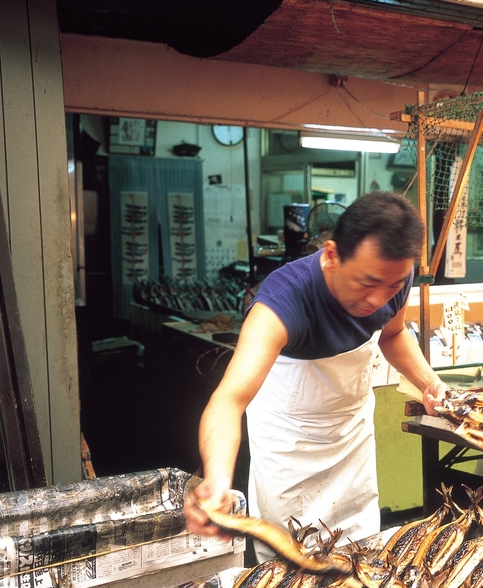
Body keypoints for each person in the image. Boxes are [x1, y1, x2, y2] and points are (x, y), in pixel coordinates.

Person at [184, 192, 447, 561]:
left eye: (391, 286)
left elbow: (394, 334)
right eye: (367, 283)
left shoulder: (394, 277)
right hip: (289, 443)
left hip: (350, 434)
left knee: (358, 558)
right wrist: (217, 481)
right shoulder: (283, 302)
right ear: (331, 255)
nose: (378, 300)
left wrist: (429, 383)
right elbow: (229, 401)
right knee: (291, 564)